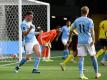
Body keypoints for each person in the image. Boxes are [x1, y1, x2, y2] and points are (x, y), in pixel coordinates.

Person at [70, 6, 101, 79]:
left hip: (80, 41)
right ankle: (96, 73)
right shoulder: (90, 20)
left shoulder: (77, 20)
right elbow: (92, 31)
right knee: (93, 56)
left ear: (81, 12)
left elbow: (71, 29)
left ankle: (81, 74)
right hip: (88, 41)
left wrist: (76, 33)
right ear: (88, 12)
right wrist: (93, 40)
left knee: (81, 58)